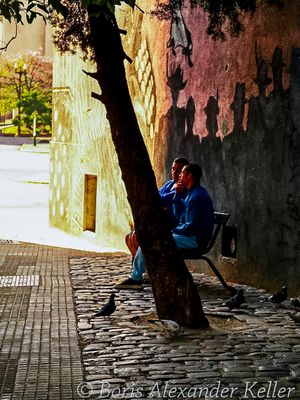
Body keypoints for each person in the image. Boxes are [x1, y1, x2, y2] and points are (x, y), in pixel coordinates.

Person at [116, 163, 214, 290]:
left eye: (182, 173)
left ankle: (136, 277)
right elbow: (179, 216)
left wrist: (170, 231)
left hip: (195, 239)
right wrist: (177, 196)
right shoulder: (190, 193)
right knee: (150, 237)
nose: (180, 176)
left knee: (151, 240)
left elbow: (190, 226)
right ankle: (138, 275)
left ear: (189, 176)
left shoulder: (197, 196)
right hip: (188, 236)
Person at [125, 157, 189, 257]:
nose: (174, 172)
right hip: (158, 222)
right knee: (129, 238)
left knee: (139, 237)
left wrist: (171, 194)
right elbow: (155, 197)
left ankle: (146, 266)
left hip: (170, 225)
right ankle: (146, 265)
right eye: (173, 169)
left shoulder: (184, 188)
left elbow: (162, 200)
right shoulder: (170, 184)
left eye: (178, 170)